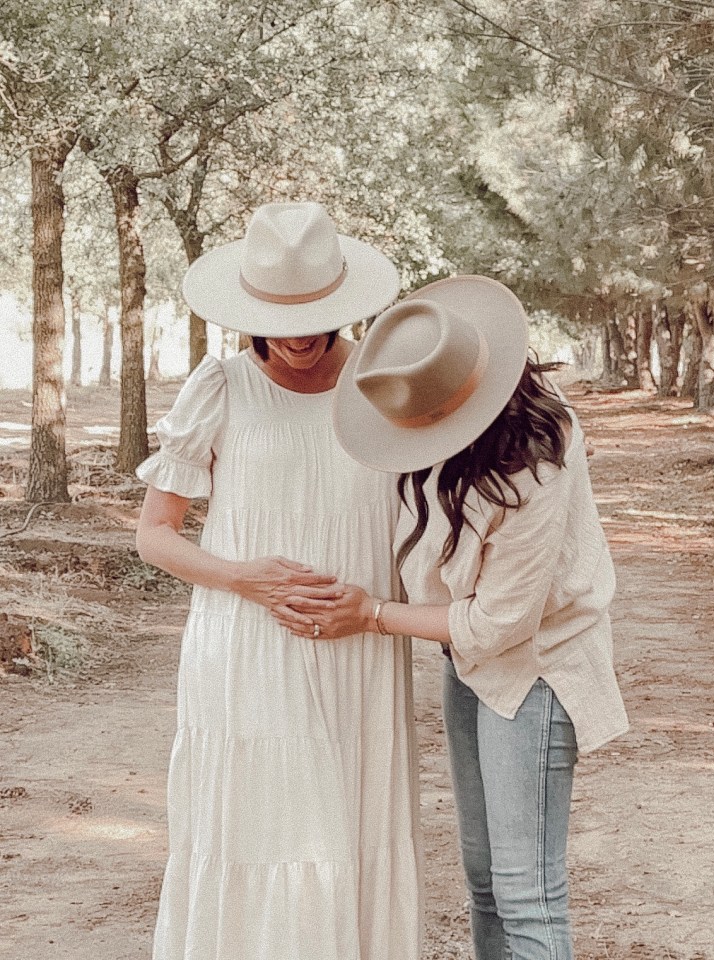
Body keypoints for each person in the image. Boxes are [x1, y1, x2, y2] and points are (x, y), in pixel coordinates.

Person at [276, 276, 629, 960]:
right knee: (486, 883)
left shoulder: (537, 458)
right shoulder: (429, 426)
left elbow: (502, 624)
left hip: (537, 672)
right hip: (468, 665)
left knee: (529, 896)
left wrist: (375, 615)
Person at [135, 202, 423, 960]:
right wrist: (243, 578)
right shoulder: (220, 385)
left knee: (351, 829)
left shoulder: (382, 380)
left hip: (361, 647)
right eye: (281, 317)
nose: (299, 336)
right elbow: (153, 535)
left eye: (319, 317)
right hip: (246, 648)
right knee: (263, 829)